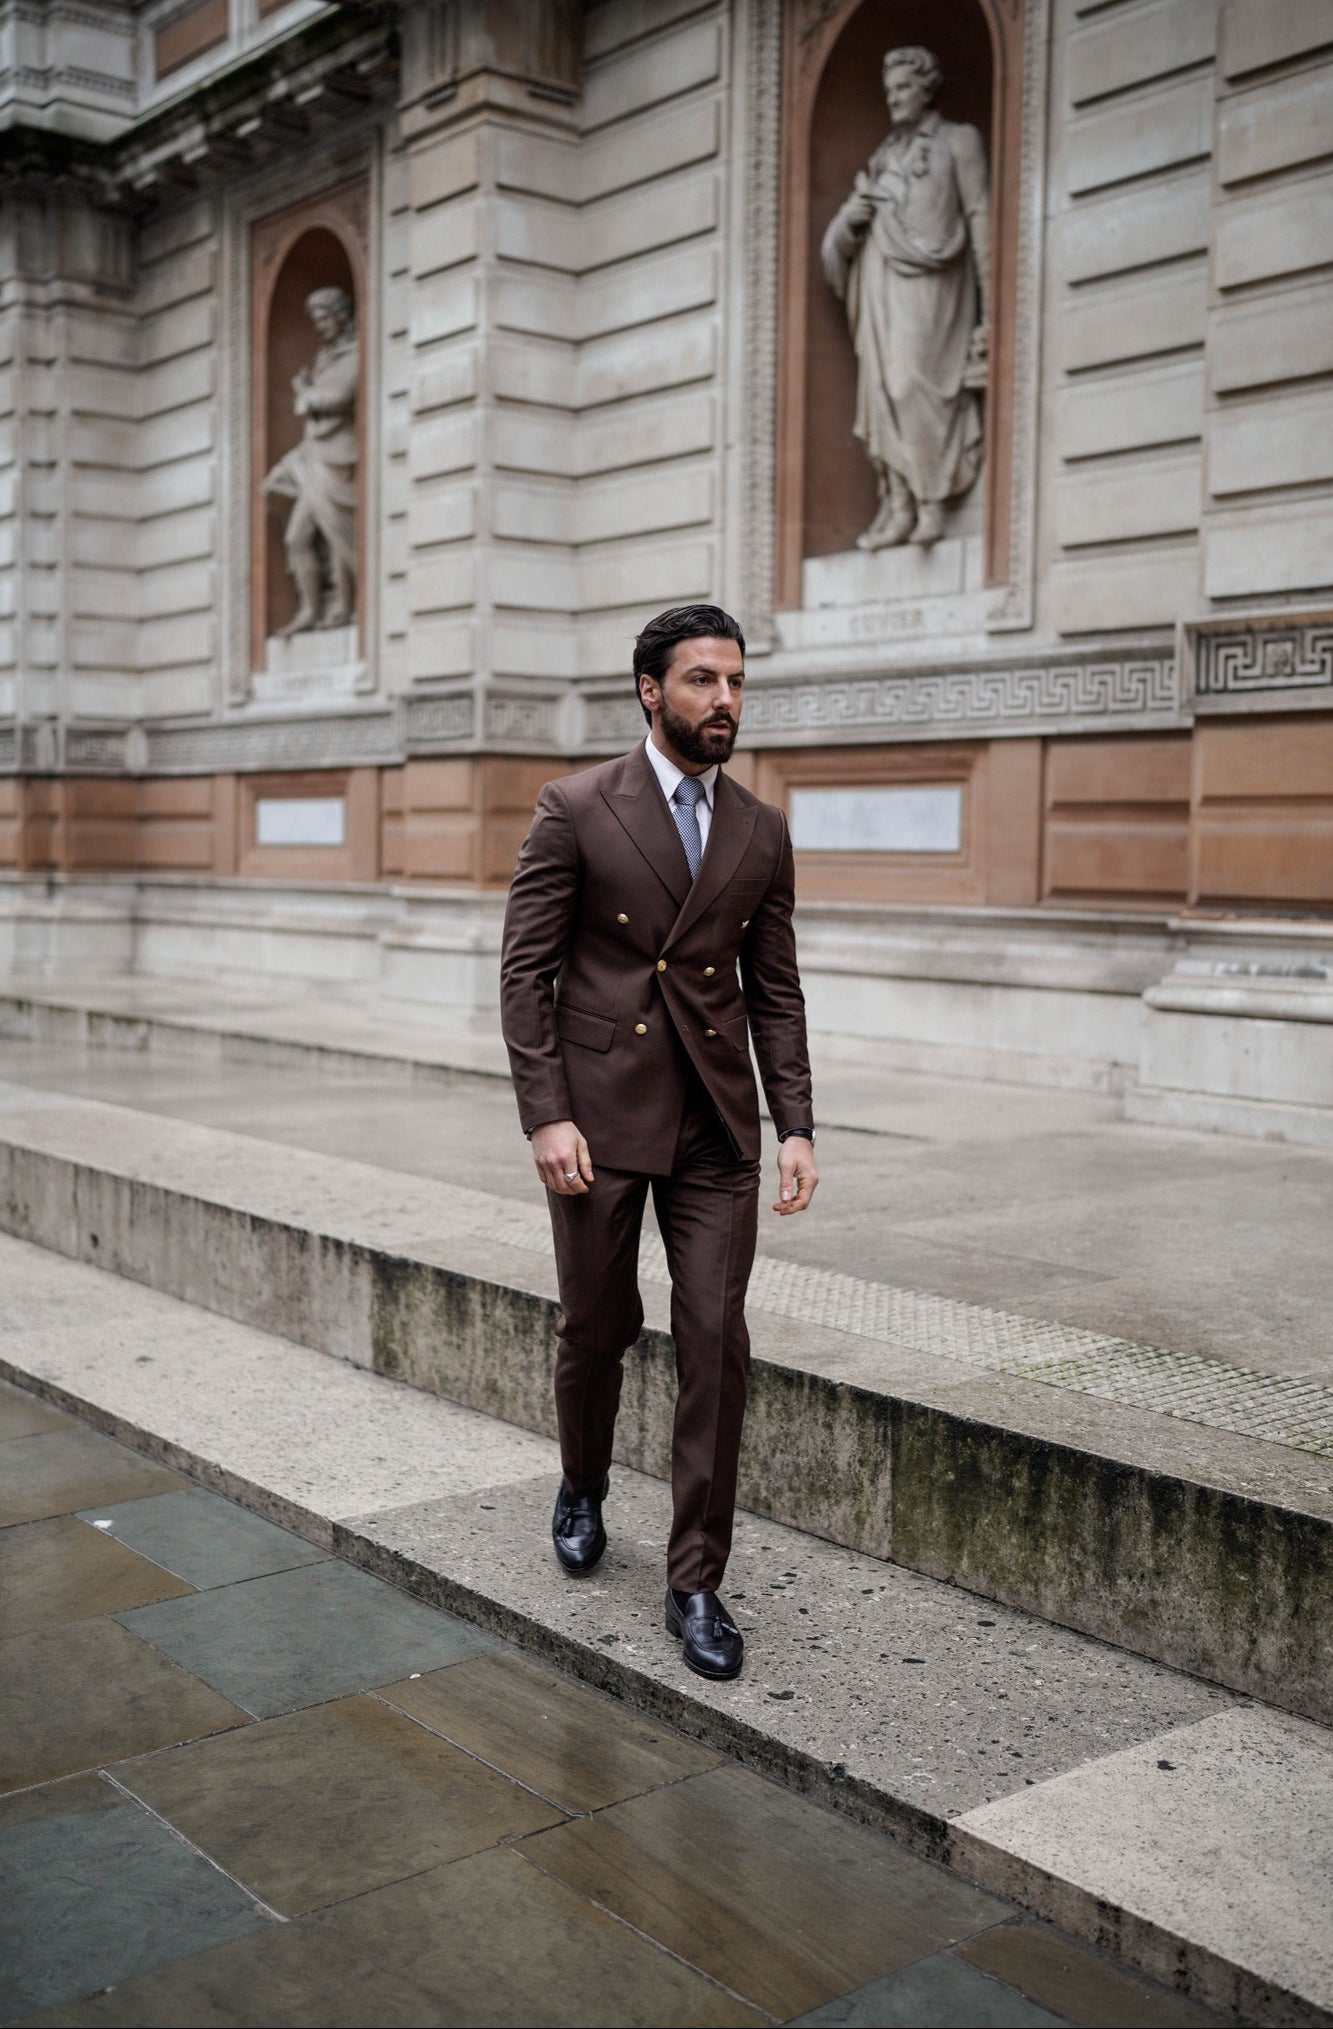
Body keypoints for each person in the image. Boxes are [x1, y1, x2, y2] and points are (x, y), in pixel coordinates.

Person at [500, 605, 818, 1682]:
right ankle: (582, 1480)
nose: (724, 700)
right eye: (700, 681)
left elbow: (776, 992)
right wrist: (545, 1113)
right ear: (650, 690)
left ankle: (694, 1578)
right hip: (598, 1117)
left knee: (715, 1341)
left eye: (734, 681)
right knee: (597, 1323)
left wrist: (796, 1124)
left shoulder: (761, 830)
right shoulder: (576, 806)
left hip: (717, 1123)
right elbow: (526, 973)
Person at [821, 44, 990, 550]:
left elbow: (979, 214)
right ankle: (899, 505)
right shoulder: (882, 159)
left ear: (927, 88)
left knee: (909, 385)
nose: (893, 98)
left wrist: (994, 311)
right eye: (888, 89)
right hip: (878, 292)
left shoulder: (958, 141)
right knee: (879, 395)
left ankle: (932, 500)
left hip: (934, 292)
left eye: (903, 88)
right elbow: (836, 245)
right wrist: (850, 222)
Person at [261, 286, 358, 633]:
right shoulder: (326, 356)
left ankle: (345, 607)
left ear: (340, 316)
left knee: (337, 535)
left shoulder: (355, 353)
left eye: (323, 319)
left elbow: (341, 395)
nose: (319, 327)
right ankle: (310, 609)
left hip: (340, 456)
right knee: (296, 538)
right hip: (316, 453)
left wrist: (306, 394)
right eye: (315, 320)